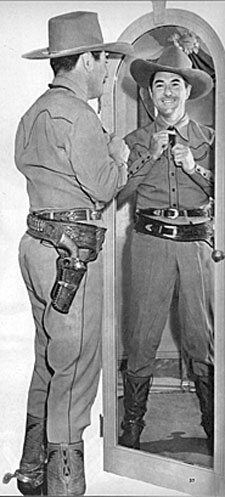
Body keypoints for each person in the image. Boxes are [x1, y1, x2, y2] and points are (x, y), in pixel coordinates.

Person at [3, 11, 133, 497]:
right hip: (71, 256)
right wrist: (119, 156)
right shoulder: (79, 115)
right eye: (102, 59)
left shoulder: (34, 111)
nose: (106, 71)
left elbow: (24, 164)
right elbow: (102, 186)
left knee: (48, 360)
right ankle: (64, 487)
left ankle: (32, 471)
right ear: (83, 61)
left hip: (38, 248)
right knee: (76, 370)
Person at [117, 45, 215, 453]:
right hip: (150, 245)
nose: (169, 92)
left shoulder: (209, 140)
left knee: (201, 338)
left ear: (188, 91)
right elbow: (118, 194)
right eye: (160, 85)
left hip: (195, 247)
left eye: (177, 83)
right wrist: (148, 159)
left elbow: (220, 191)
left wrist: (196, 167)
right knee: (141, 339)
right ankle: (133, 425)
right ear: (149, 93)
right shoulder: (135, 140)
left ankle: (214, 424)